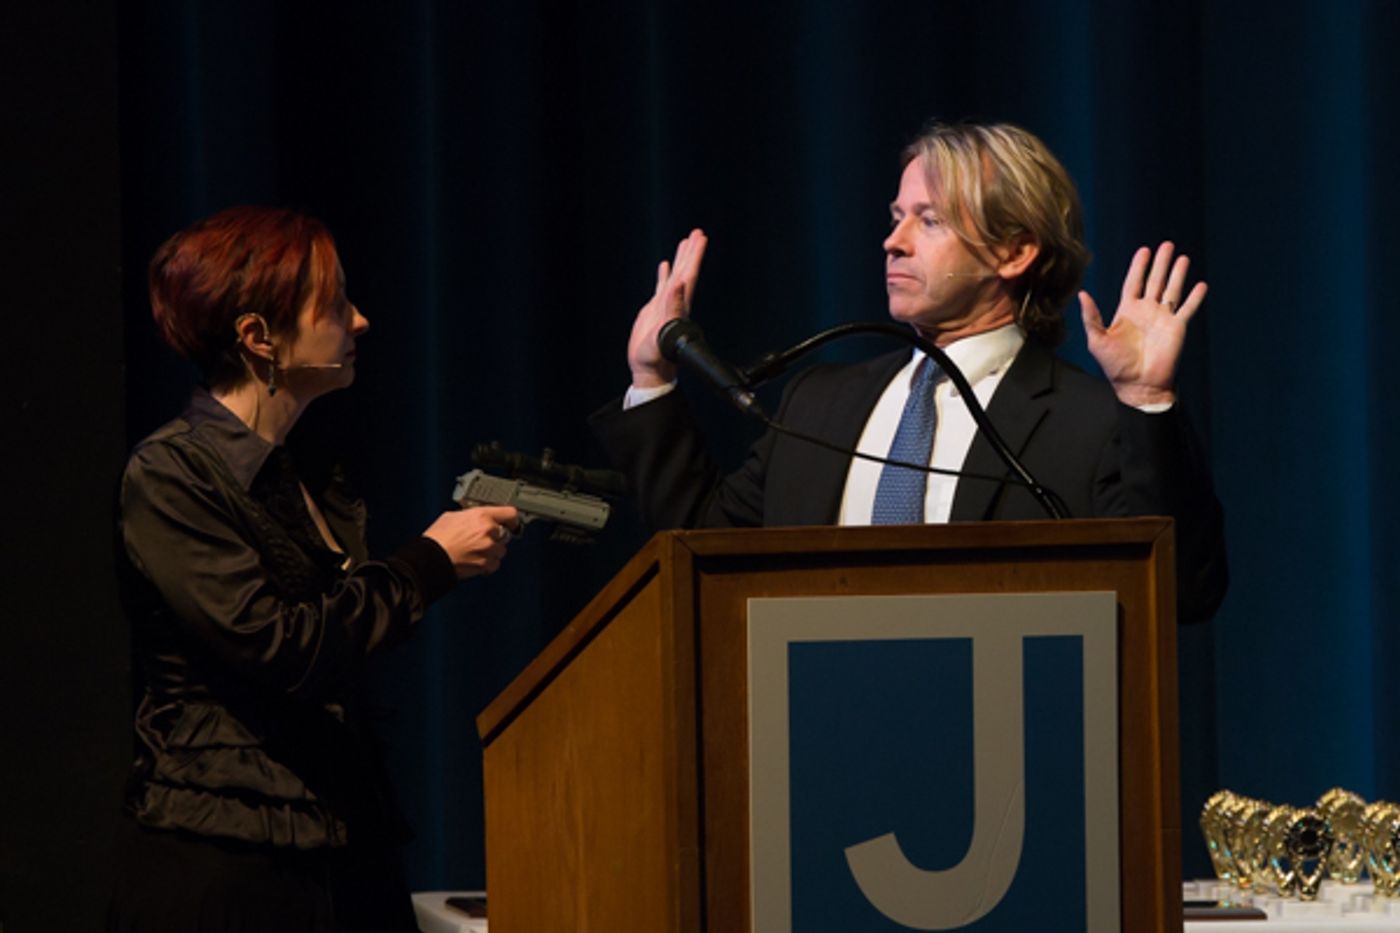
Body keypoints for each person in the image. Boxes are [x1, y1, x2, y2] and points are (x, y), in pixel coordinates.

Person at [591, 121, 1227, 623]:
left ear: (1014, 252)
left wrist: (1146, 399)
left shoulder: (1086, 423)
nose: (893, 241)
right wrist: (651, 380)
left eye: (930, 220)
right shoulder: (820, 403)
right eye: (896, 217)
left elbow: (1181, 595)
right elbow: (705, 545)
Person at [107, 206, 519, 932]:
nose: (359, 321)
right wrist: (428, 563)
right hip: (229, 863)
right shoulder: (170, 474)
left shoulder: (314, 472)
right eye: (334, 305)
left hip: (342, 845)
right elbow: (281, 645)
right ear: (258, 338)